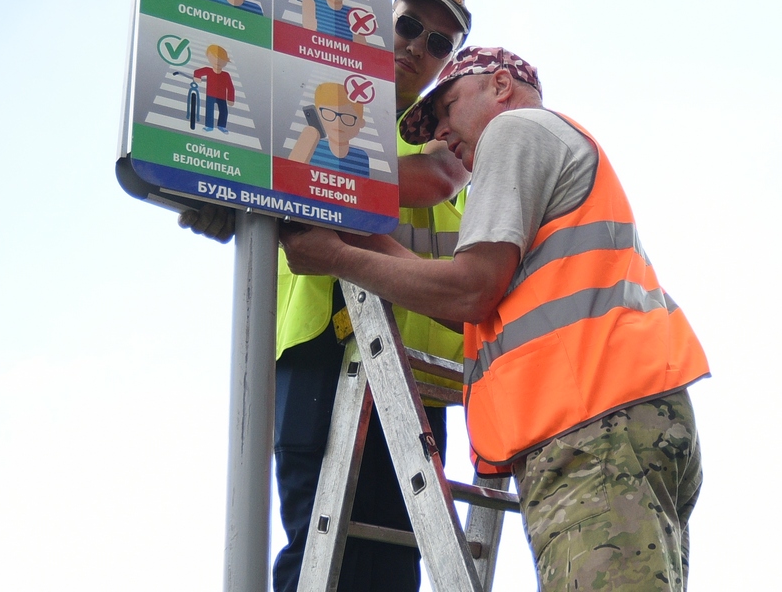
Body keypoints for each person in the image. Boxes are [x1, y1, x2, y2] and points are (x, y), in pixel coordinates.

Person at [280, 47, 709, 592]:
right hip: (610, 418)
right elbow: (465, 287)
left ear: (500, 85)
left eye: (447, 107)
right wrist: (349, 232)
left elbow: (468, 292)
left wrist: (337, 258)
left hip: (594, 419)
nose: (439, 132)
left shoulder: (513, 131)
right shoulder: (540, 163)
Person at [268, 0, 476, 592]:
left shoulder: (453, 135)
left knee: (394, 562)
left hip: (416, 374)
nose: (417, 45)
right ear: (376, 22)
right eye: (409, 25)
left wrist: (316, 180)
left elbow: (438, 176)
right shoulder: (318, 96)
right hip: (320, 350)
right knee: (317, 545)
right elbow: (256, 171)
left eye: (439, 41)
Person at [288, 82, 372, 174]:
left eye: (347, 118)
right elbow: (291, 172)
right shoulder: (312, 145)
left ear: (361, 123)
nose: (337, 122)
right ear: (317, 115)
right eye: (328, 113)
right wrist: (309, 136)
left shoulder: (361, 157)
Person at [194, 45, 235, 133]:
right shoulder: (208, 70)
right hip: (210, 95)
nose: (217, 62)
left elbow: (230, 87)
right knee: (209, 110)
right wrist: (197, 77)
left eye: (221, 59)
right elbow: (197, 72)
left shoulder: (226, 75)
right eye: (213, 58)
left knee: (223, 111)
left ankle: (222, 125)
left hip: (222, 97)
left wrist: (230, 99)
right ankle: (209, 126)